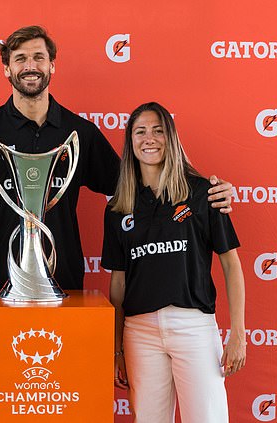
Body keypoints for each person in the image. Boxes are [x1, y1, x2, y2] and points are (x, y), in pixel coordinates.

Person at [0, 25, 234, 291]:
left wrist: (203, 188)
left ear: (53, 65)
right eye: (20, 58)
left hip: (63, 280)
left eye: (38, 56)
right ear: (7, 68)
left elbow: (136, 182)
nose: (30, 65)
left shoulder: (79, 133)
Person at [101, 102, 246, 423]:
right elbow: (118, 283)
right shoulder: (117, 208)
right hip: (139, 333)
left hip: (194, 326)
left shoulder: (204, 192)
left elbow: (231, 265)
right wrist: (117, 348)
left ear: (171, 138)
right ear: (130, 142)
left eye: (158, 130)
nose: (149, 138)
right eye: (140, 132)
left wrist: (238, 332)